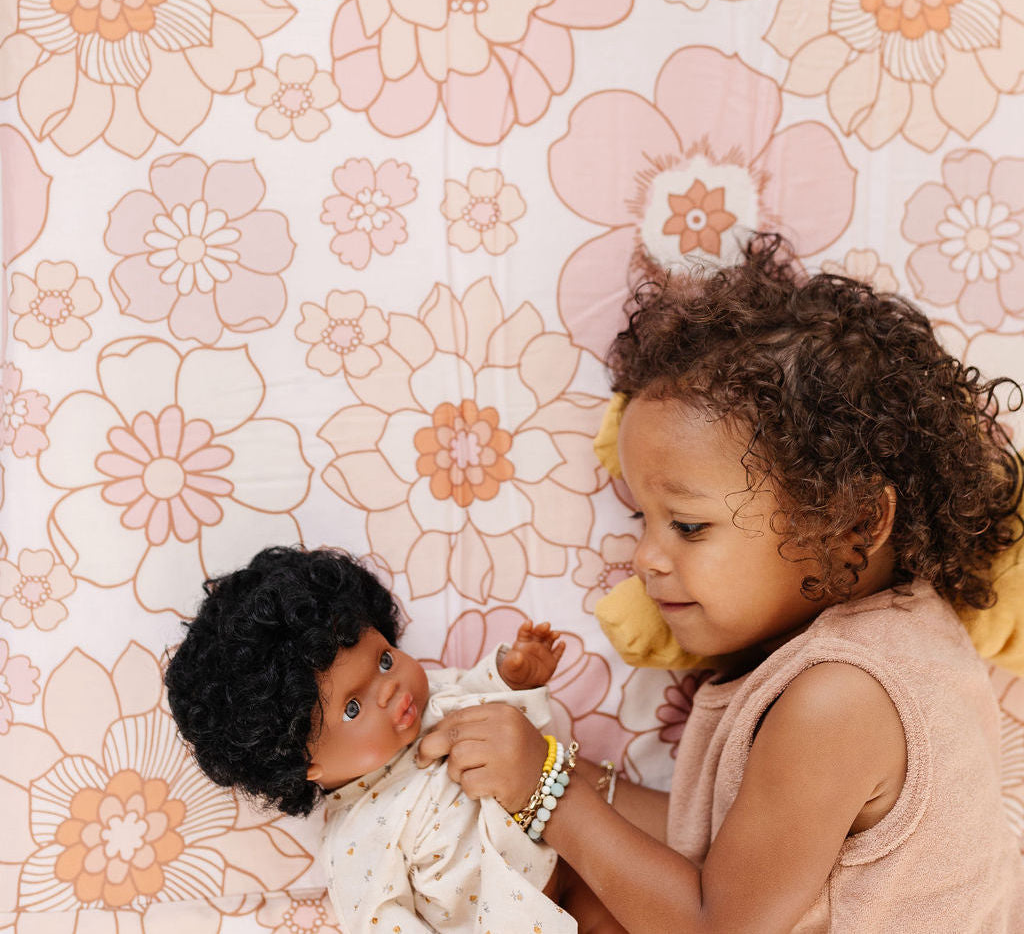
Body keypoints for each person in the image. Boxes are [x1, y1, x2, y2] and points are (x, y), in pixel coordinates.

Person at [417, 232, 1024, 933]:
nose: (645, 558)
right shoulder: (880, 643)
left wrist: (549, 794)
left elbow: (715, 923)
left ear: (852, 522)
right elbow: (711, 847)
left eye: (688, 525)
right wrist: (554, 768)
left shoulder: (842, 699)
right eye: (642, 518)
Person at [164, 545, 613, 934]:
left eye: (383, 660)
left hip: (568, 859)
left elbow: (478, 698)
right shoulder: (358, 841)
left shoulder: (431, 701)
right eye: (352, 707)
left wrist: (513, 679)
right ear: (300, 764)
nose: (391, 689)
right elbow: (381, 919)